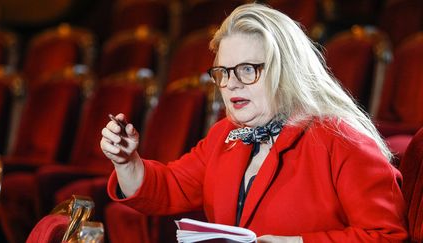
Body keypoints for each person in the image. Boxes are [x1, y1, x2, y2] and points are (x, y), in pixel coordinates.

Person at [101, 3, 408, 242]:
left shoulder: (342, 139)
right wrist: (127, 161)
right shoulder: (226, 135)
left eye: (247, 69)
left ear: (286, 71)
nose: (231, 84)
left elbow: (386, 236)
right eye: (223, 72)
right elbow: (169, 187)